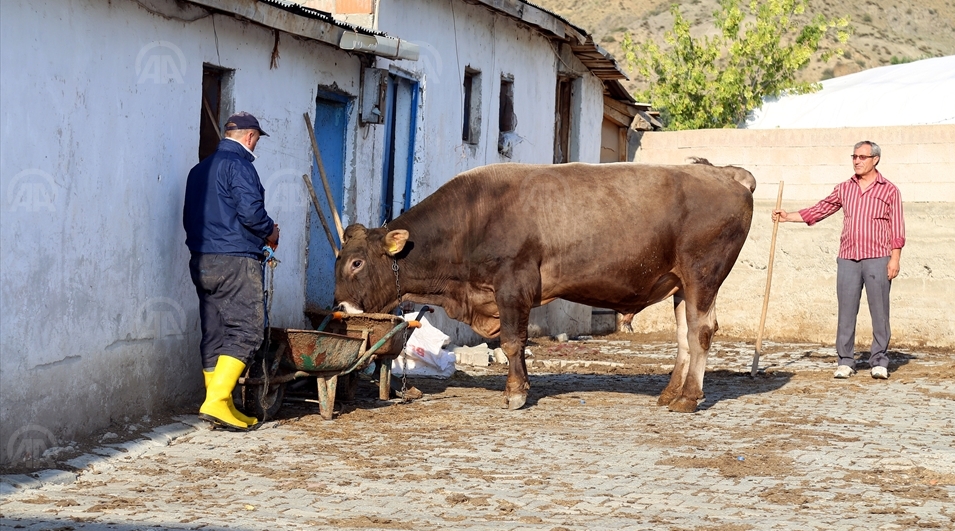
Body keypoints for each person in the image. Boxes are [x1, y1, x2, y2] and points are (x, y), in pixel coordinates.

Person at [772, 140, 904, 380]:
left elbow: (897, 227)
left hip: (878, 258)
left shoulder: (890, 190)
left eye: (862, 157)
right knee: (846, 311)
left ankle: (879, 360)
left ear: (875, 159)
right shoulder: (845, 188)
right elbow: (822, 208)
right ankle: (845, 361)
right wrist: (789, 216)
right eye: (854, 156)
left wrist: (894, 259)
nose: (857, 161)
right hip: (848, 258)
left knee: (880, 311)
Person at [183, 112, 280, 430]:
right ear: (251, 137)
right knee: (247, 330)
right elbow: (252, 213)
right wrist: (271, 231)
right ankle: (216, 401)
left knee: (215, 332)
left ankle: (220, 403)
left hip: (202, 259)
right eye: (257, 140)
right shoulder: (240, 166)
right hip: (236, 261)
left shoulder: (198, 171)